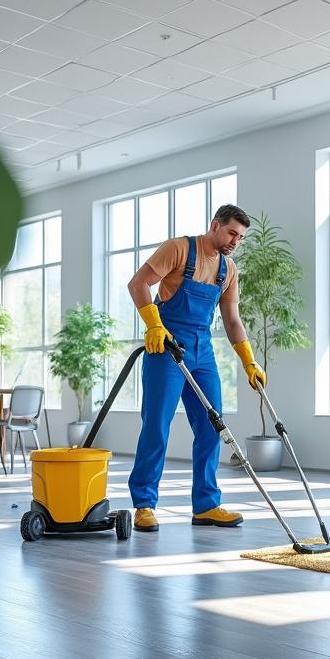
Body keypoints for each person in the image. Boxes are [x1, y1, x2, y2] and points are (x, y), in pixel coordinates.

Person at [126, 204, 266, 532]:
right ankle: (144, 504)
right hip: (166, 345)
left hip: (203, 352)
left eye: (241, 237)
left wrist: (249, 360)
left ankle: (207, 504)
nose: (235, 241)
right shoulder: (178, 249)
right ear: (215, 225)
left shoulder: (227, 270)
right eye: (231, 232)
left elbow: (232, 319)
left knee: (211, 426)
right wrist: (153, 325)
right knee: (156, 426)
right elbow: (138, 284)